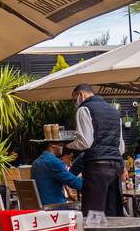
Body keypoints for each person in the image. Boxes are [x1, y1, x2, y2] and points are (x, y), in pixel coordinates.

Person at [67, 84, 125, 218]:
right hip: (115, 167)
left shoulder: (84, 109)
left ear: (81, 95)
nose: (75, 103)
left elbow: (86, 142)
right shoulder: (114, 111)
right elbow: (121, 147)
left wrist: (68, 145)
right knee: (113, 213)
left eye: (74, 98)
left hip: (96, 166)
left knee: (94, 214)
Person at [31, 133, 82, 207]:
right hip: (54, 206)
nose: (63, 146)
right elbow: (73, 182)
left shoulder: (36, 162)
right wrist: (93, 183)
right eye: (61, 144)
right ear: (52, 145)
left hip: (40, 205)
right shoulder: (53, 162)